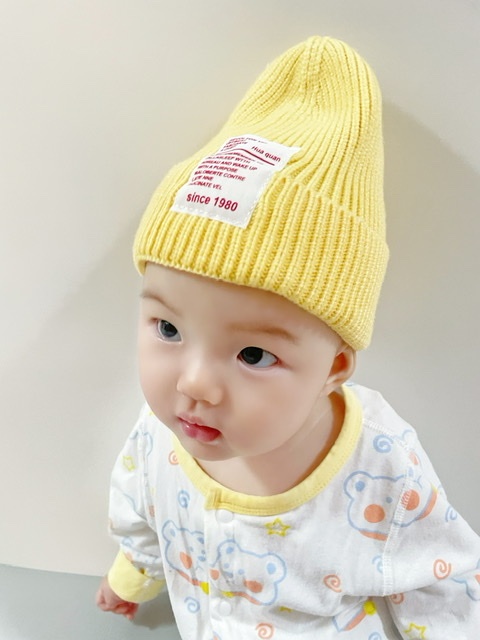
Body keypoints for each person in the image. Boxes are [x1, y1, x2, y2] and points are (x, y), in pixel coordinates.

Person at [96, 36, 480, 638]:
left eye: (253, 354)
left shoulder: (379, 463)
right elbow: (142, 508)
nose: (194, 384)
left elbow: (443, 582)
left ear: (335, 368)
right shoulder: (161, 432)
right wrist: (132, 575)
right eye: (168, 328)